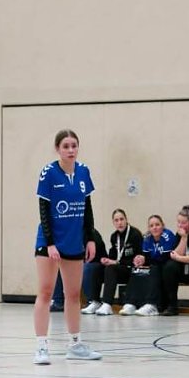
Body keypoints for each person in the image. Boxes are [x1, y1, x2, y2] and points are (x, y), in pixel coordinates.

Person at [33, 129, 102, 365]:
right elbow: (43, 210)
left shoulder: (83, 172)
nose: (71, 150)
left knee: (73, 295)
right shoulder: (48, 173)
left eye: (74, 146)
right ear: (58, 149)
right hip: (50, 241)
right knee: (45, 293)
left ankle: (75, 344)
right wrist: (50, 244)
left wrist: (90, 238)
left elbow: (88, 207)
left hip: (75, 240)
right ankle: (41, 346)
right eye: (66, 146)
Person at [89, 209, 143, 316]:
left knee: (111, 268)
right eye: (116, 220)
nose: (119, 222)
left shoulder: (135, 234)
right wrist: (106, 260)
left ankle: (107, 304)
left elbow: (138, 258)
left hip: (132, 269)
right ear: (113, 223)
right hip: (119, 269)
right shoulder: (114, 237)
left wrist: (115, 262)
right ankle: (95, 301)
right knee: (97, 268)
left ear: (126, 220)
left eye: (122, 219)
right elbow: (113, 256)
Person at [122, 214, 177, 316]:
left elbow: (164, 257)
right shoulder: (147, 237)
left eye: (157, 224)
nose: (154, 227)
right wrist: (141, 259)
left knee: (154, 269)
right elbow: (146, 256)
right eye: (151, 226)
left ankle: (152, 305)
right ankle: (131, 303)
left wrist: (147, 260)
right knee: (137, 269)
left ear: (163, 226)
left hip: (167, 266)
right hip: (155, 264)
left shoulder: (167, 236)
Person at [49, 228, 108, 312]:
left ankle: (91, 301)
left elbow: (94, 254)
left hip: (96, 263)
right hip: (78, 263)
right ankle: (58, 302)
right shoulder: (70, 234)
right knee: (59, 266)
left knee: (86, 267)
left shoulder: (92, 233)